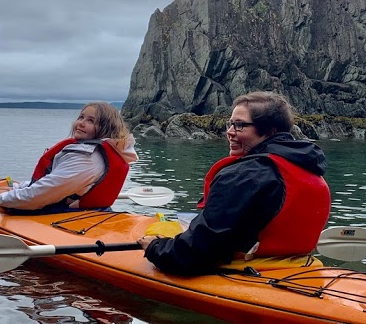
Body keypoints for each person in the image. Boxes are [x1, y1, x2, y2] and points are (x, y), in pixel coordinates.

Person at [138, 91, 331, 275]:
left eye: (239, 125)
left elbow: (197, 253)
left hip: (251, 270)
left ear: (269, 131)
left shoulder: (246, 174)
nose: (229, 132)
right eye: (230, 124)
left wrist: (157, 248)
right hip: (299, 265)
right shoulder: (306, 165)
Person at [0, 102, 138, 212]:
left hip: (69, 214)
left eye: (91, 121)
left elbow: (45, 192)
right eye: (81, 117)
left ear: (106, 128)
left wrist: (3, 199)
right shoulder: (94, 151)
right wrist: (19, 188)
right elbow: (53, 182)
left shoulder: (87, 159)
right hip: (86, 211)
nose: (81, 123)